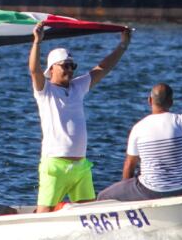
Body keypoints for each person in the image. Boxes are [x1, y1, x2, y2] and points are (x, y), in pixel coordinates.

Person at [28, 21, 131, 211]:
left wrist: (123, 44)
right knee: (43, 215)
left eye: (72, 65)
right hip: (55, 166)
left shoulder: (78, 87)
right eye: (64, 66)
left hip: (81, 167)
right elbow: (34, 71)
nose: (70, 69)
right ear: (51, 69)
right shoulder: (45, 91)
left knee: (89, 213)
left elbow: (103, 68)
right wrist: (37, 42)